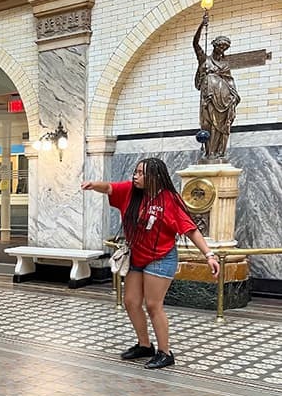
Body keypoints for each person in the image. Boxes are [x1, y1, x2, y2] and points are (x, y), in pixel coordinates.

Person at [82, 158, 220, 369]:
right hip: (137, 257)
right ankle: (145, 345)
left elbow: (190, 229)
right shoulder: (130, 191)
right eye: (135, 172)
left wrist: (209, 255)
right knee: (131, 301)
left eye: (141, 173)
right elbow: (109, 187)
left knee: (154, 305)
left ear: (155, 177)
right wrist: (93, 185)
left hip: (161, 258)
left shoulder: (169, 199)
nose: (135, 176)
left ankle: (165, 352)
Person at [193, 14, 240, 159]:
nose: (222, 49)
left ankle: (217, 152)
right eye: (220, 46)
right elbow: (195, 43)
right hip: (209, 97)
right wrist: (202, 25)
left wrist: (234, 96)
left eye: (225, 47)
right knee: (207, 123)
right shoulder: (204, 59)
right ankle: (209, 152)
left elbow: (229, 80)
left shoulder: (225, 65)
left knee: (220, 126)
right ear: (214, 45)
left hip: (223, 99)